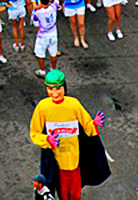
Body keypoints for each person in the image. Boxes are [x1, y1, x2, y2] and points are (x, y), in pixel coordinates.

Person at [29, 70, 110, 199]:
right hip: (57, 162)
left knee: (75, 193)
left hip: (74, 160)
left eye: (58, 89)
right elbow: (34, 133)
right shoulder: (42, 107)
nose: (54, 93)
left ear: (64, 88)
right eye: (50, 89)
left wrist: (94, 123)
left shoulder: (73, 104)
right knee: (62, 194)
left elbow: (87, 126)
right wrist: (47, 139)